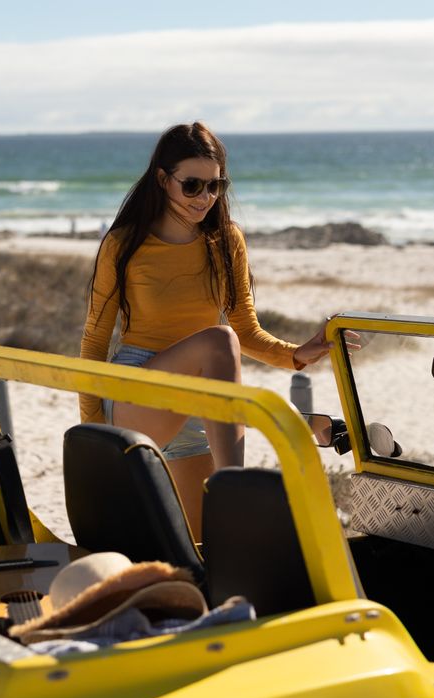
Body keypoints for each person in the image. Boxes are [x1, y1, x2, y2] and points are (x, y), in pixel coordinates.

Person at [79, 122, 355, 537]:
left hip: (199, 408)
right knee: (217, 340)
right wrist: (93, 431)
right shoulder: (124, 244)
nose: (205, 198)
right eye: (192, 186)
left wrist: (299, 352)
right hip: (139, 393)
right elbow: (95, 341)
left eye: (215, 186)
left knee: (208, 546)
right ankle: (239, 487)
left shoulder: (227, 242)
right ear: (162, 179)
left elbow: (246, 332)